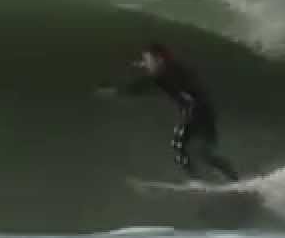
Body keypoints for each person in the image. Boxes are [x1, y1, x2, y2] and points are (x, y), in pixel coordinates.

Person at [98, 43, 240, 181]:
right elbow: (142, 85)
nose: (145, 64)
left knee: (179, 144)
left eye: (148, 61)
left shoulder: (167, 73)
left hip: (196, 111)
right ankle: (232, 177)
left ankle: (196, 180)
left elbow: (146, 84)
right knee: (202, 152)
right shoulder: (168, 70)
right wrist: (119, 89)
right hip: (205, 112)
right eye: (144, 61)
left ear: (159, 60)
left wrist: (116, 90)